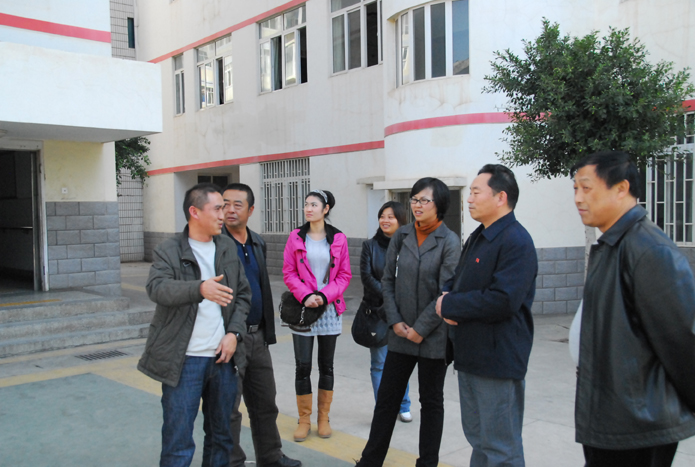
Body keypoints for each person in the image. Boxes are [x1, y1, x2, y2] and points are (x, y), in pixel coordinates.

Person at [570, 151, 695, 467]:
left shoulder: (649, 250)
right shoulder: (612, 245)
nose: (578, 198)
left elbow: (683, 342)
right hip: (612, 420)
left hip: (640, 427)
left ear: (621, 189)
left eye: (586, 188)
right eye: (575, 189)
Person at [138, 183, 251, 467]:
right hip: (184, 361)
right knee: (178, 442)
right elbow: (157, 288)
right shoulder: (168, 250)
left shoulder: (226, 247)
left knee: (222, 437)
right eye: (217, 208)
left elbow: (242, 295)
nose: (223, 215)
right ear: (195, 212)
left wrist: (234, 333)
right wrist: (199, 289)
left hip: (222, 359)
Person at [436, 164, 537, 467]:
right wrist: (447, 296)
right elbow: (458, 280)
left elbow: (503, 300)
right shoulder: (480, 236)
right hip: (471, 354)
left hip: (497, 361)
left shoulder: (516, 241)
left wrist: (451, 305)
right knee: (479, 440)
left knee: (500, 448)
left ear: (500, 197)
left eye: (476, 192)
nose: (469, 199)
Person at [356, 177, 460, 467]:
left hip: (434, 337)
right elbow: (387, 281)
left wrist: (421, 329)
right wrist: (395, 321)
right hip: (400, 333)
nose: (417, 205)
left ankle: (427, 463)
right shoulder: (402, 236)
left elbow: (447, 291)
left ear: (439, 204)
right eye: (414, 199)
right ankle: (370, 461)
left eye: (424, 200)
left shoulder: (450, 241)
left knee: (431, 402)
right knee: (387, 400)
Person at [222, 184, 301, 467]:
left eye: (237, 204)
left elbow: (262, 286)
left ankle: (270, 457)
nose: (230, 210)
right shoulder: (216, 243)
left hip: (258, 336)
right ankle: (232, 461)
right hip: (229, 339)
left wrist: (268, 331)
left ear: (251, 210)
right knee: (228, 408)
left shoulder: (257, 241)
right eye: (225, 204)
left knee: (265, 403)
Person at [282, 189, 352, 442]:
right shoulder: (295, 237)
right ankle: (304, 420)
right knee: (302, 366)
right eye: (306, 204)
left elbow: (344, 275)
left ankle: (323, 418)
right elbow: (289, 272)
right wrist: (305, 296)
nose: (308, 209)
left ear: (326, 209)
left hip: (329, 309)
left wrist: (324, 296)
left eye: (314, 204)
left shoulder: (339, 239)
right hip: (304, 309)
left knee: (326, 367)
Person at [359, 201, 413, 422]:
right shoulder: (369, 246)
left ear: (401, 220)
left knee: (401, 362)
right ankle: (383, 409)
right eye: (382, 216)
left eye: (391, 216)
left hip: (404, 312)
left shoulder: (410, 245)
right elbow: (367, 277)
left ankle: (403, 404)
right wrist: (391, 296)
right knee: (380, 363)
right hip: (378, 312)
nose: (385, 220)